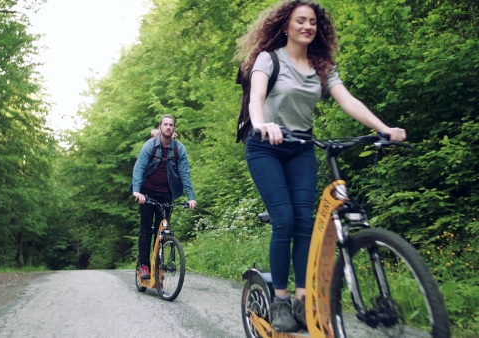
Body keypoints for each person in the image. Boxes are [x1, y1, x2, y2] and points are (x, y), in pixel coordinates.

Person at [234, 0, 406, 332]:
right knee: (283, 220)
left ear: (318, 28)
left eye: (312, 21)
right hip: (265, 146)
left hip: (300, 147)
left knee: (305, 222)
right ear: (286, 25)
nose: (307, 26)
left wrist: (382, 128)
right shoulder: (268, 59)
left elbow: (348, 100)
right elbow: (256, 99)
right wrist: (261, 124)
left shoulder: (322, 67)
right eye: (300, 20)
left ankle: (302, 300)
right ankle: (280, 300)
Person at [132, 115, 196, 279]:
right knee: (146, 229)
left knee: (162, 230)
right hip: (147, 192)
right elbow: (139, 168)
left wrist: (191, 197)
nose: (168, 127)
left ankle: (157, 264)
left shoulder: (179, 149)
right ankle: (143, 265)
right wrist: (137, 191)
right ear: (160, 127)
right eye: (165, 124)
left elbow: (184, 173)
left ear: (174, 128)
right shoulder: (150, 146)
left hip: (167, 193)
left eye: (171, 125)